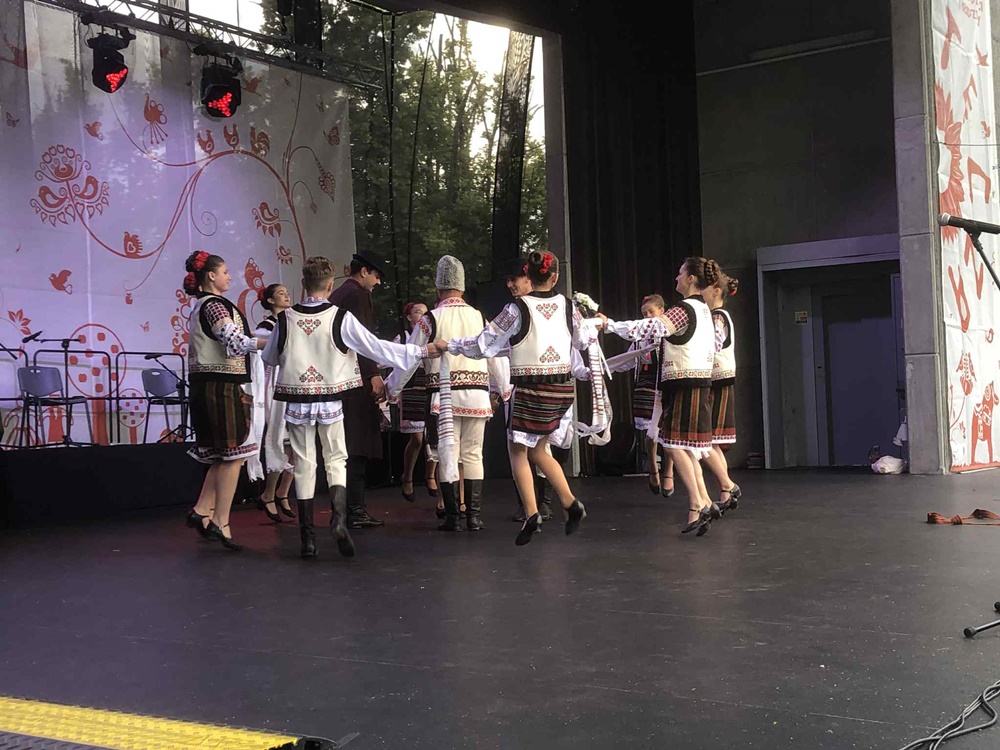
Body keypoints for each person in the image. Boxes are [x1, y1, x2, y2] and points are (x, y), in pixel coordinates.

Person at [263, 257, 442, 558]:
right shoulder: (339, 317)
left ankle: (308, 539)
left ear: (303, 284)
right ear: (329, 285)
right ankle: (339, 520)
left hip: (298, 403)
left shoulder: (285, 320)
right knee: (336, 459)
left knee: (305, 464)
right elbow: (375, 346)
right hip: (331, 402)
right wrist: (421, 350)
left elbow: (269, 357)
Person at [444, 251, 590, 546]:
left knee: (517, 451)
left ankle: (532, 513)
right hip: (562, 388)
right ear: (555, 278)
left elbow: (483, 345)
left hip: (531, 387)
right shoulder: (569, 306)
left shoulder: (516, 309)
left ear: (529, 276)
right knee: (539, 450)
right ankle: (569, 502)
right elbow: (582, 340)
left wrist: (451, 345)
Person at [599, 257, 723, 536]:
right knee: (686, 447)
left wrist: (610, 325)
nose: (677, 278)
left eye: (680, 273)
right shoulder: (703, 310)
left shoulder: (685, 309)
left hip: (684, 382)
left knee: (673, 443)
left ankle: (697, 502)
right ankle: (704, 500)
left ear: (691, 278)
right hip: (697, 381)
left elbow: (653, 327)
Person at [388, 255, 506, 531]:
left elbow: (411, 357)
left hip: (443, 397)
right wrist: (502, 388)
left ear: (438, 286)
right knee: (474, 454)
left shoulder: (431, 319)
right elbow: (494, 354)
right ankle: (473, 516)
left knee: (447, 454)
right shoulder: (479, 316)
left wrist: (392, 388)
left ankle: (453, 517)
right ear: (462, 286)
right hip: (476, 394)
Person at [182, 251, 266, 551]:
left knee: (222, 454)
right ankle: (221, 520)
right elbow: (234, 342)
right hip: (220, 386)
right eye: (225, 271)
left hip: (207, 385)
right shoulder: (215, 305)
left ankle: (201, 509)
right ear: (211, 276)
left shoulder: (200, 306)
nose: (229, 276)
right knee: (234, 455)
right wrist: (272, 342)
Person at [328, 251, 388, 529]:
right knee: (357, 445)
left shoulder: (339, 295)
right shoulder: (356, 295)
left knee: (343, 447)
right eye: (376, 276)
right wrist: (373, 373)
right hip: (354, 379)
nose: (377, 282)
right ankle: (354, 509)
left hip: (337, 378)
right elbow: (362, 340)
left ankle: (343, 509)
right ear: (364, 271)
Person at [496, 258, 555, 525]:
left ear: (529, 278)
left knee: (534, 448)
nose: (510, 284)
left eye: (515, 279)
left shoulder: (543, 308)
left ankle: (543, 504)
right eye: (508, 280)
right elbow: (497, 348)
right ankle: (530, 504)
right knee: (527, 447)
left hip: (541, 385)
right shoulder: (517, 309)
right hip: (522, 385)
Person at [254, 283, 296, 522]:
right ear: (270, 301)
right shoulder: (267, 327)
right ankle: (269, 493)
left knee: (297, 445)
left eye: (287, 292)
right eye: (281, 293)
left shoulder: (292, 322)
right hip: (275, 388)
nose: (286, 295)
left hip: (294, 385)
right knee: (279, 441)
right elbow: (265, 357)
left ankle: (283, 491)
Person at [701, 272, 742, 511]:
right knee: (712, 441)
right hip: (719, 379)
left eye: (705, 288)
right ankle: (726, 491)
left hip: (718, 380)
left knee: (705, 441)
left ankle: (729, 485)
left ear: (716, 291)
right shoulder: (716, 316)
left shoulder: (717, 317)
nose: (701, 292)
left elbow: (713, 345)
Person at [394, 302, 437, 503]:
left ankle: (430, 476)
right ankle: (408, 476)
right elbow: (390, 359)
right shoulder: (402, 339)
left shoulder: (433, 336)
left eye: (425, 312)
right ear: (409, 317)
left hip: (430, 386)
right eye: (417, 312)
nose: (422, 315)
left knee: (433, 435)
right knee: (418, 438)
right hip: (411, 389)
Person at [635, 295, 673, 497]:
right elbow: (630, 358)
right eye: (644, 314)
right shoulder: (640, 336)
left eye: (651, 312)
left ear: (662, 311)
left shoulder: (670, 332)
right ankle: (653, 466)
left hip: (667, 381)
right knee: (650, 430)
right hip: (646, 383)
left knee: (668, 428)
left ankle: (669, 470)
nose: (648, 316)